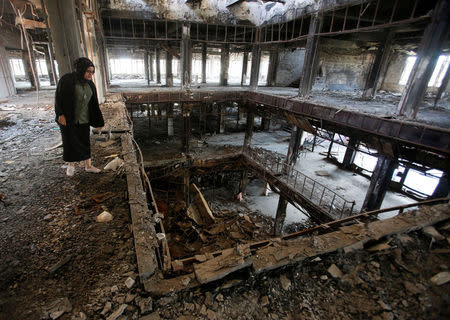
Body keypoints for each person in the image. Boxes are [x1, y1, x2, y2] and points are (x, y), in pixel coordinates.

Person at [54, 57, 104, 176]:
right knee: (69, 142)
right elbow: (58, 98)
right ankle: (70, 165)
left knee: (84, 141)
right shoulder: (67, 80)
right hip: (68, 118)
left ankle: (88, 166)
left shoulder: (90, 84)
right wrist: (60, 114)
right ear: (81, 69)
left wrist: (99, 122)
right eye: (88, 71)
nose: (90, 74)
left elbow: (94, 103)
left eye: (92, 72)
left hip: (84, 118)